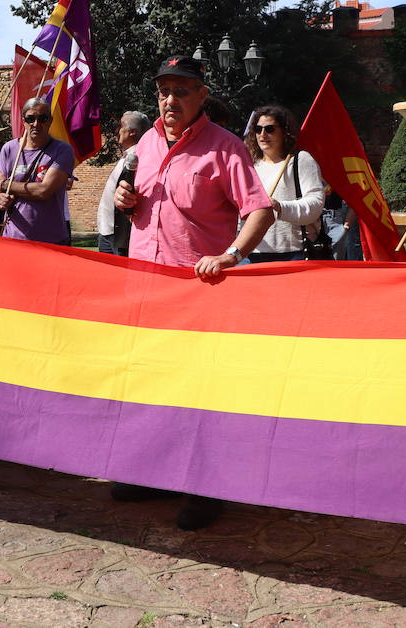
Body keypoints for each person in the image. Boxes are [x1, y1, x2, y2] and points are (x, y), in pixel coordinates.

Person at [111, 55, 273, 530]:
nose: (170, 99)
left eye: (181, 91)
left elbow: (260, 211)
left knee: (200, 391)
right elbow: (144, 207)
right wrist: (127, 202)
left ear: (202, 96)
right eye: (164, 90)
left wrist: (231, 255)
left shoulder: (224, 148)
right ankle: (153, 474)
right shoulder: (144, 142)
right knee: (151, 386)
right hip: (146, 288)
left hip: (198, 294)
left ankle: (208, 487)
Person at [243, 105, 324, 262]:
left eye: (270, 129)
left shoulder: (300, 160)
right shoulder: (249, 165)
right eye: (258, 129)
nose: (262, 134)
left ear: (284, 131)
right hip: (252, 253)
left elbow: (316, 203)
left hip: (294, 252)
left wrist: (280, 207)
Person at [0, 98, 75, 245]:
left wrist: (6, 185)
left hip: (51, 240)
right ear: (23, 121)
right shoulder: (9, 149)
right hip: (13, 239)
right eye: (31, 118)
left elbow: (43, 191)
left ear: (50, 121)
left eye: (42, 118)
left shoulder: (62, 150)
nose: (36, 124)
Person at [96, 111, 151, 255]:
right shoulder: (126, 158)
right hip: (107, 231)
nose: (117, 130)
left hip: (121, 235)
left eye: (121, 126)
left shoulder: (141, 159)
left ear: (132, 132)